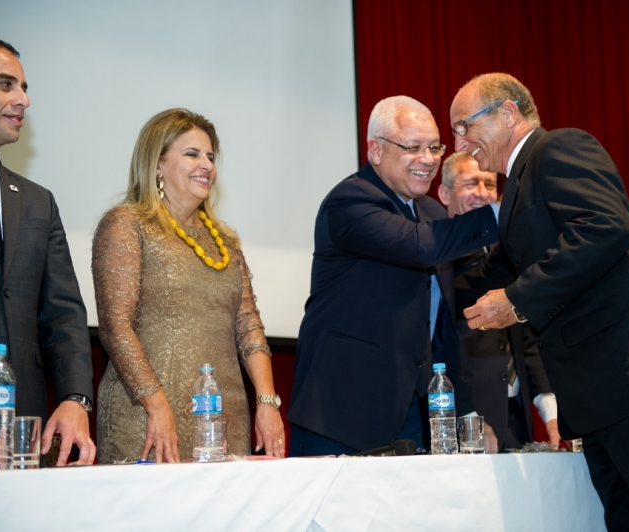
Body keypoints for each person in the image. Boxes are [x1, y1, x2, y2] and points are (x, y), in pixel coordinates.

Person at [451, 73, 629, 530]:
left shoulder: (558, 148)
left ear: (507, 113)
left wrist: (517, 300)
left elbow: (604, 227)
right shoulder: (517, 190)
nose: (460, 142)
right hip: (601, 396)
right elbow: (492, 274)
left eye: (464, 126)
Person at [288, 96, 499, 457]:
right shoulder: (350, 200)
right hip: (342, 412)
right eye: (413, 147)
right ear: (376, 150)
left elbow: (453, 310)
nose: (428, 159)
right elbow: (418, 246)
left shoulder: (431, 212)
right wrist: (500, 214)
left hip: (412, 413)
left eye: (434, 147)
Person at [92, 108, 284, 463]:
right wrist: (156, 405)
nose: (206, 165)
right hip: (147, 417)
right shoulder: (127, 224)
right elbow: (116, 326)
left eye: (210, 157)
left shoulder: (225, 242)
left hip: (224, 420)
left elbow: (249, 328)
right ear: (157, 164)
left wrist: (267, 402)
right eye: (192, 154)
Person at [0, 36, 95, 466]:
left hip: (24, 434)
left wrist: (74, 398)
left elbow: (62, 313)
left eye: (24, 88)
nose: (23, 100)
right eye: (5, 84)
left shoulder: (37, 201)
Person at [437, 151, 558, 452]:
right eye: (471, 183)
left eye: (490, 184)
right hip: (463, 422)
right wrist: (468, 416)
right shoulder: (434, 259)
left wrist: (549, 409)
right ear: (444, 194)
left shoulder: (509, 250)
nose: (482, 193)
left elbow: (527, 335)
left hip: (516, 419)